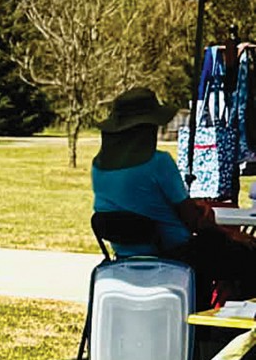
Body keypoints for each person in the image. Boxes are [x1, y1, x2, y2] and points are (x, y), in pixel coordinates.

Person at [92, 86, 256, 298]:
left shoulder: (99, 166)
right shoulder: (159, 162)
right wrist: (223, 229)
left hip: (124, 255)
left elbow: (138, 203)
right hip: (175, 255)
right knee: (247, 256)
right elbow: (192, 220)